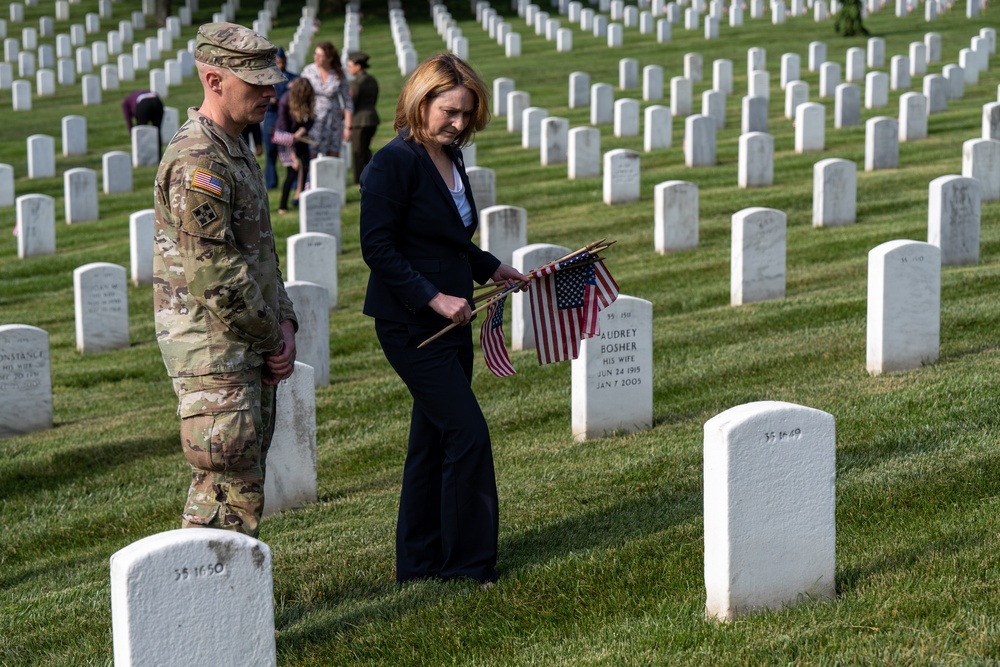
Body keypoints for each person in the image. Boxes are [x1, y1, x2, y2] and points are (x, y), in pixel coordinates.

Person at [359, 53, 528, 585]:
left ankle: (418, 562)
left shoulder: (452, 161)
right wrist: (433, 298)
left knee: (431, 441)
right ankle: (469, 565)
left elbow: (447, 243)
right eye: (450, 111)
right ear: (421, 99)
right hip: (414, 325)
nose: (458, 123)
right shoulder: (394, 162)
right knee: (468, 435)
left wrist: (492, 267)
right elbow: (378, 249)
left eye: (467, 114)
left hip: (454, 319)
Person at [152, 22, 298, 538]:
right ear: (213, 80)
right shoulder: (199, 160)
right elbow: (216, 276)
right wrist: (269, 336)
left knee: (239, 493)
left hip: (244, 348)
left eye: (270, 79)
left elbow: (261, 250)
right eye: (255, 82)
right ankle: (204, 615)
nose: (270, 91)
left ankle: (229, 615)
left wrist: (285, 320)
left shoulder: (233, 146)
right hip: (216, 356)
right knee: (222, 502)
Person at [300, 40, 353, 157]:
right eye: (315, 54)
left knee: (333, 154)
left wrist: (348, 127)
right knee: (312, 154)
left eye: (320, 55)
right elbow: (300, 95)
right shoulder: (308, 71)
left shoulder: (338, 74)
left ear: (329, 58)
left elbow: (348, 102)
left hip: (333, 121)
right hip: (314, 120)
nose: (316, 58)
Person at [274, 77, 316, 214]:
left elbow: (310, 120)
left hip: (300, 137)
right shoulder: (285, 100)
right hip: (285, 139)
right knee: (292, 171)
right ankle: (282, 206)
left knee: (305, 166)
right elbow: (283, 128)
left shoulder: (307, 100)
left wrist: (301, 131)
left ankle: (300, 198)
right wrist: (292, 157)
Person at [262, 46, 297, 189]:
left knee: (290, 151)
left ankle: (294, 182)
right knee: (270, 153)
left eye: (282, 62)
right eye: (278, 62)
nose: (280, 65)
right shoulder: (266, 80)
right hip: (271, 117)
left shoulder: (293, 78)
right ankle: (271, 183)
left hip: (287, 120)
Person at [347, 51, 380, 184]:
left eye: (350, 65)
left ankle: (358, 179)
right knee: (365, 150)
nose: (348, 68)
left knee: (357, 152)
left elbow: (351, 103)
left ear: (358, 66)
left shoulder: (355, 83)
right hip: (372, 118)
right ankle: (373, 174)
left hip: (359, 121)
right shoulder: (372, 80)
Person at [122, 89, 165, 155]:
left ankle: (143, 155)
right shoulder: (136, 96)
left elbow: (128, 120)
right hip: (157, 101)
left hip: (143, 104)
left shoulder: (125, 102)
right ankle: (158, 156)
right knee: (157, 130)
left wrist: (133, 135)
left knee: (142, 132)